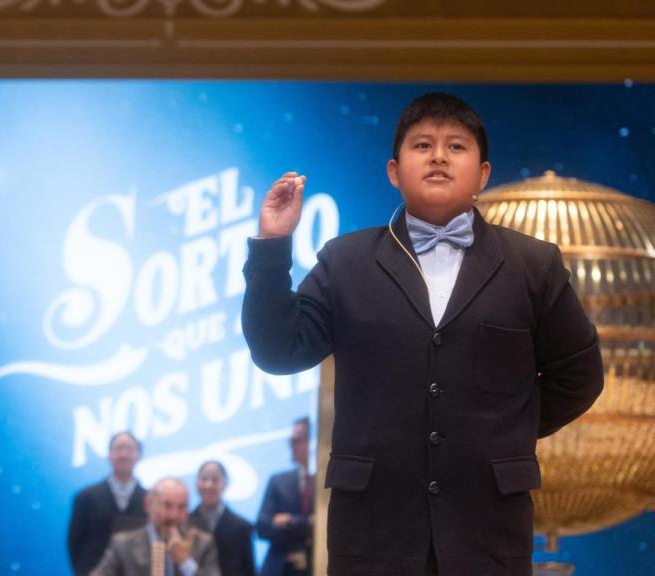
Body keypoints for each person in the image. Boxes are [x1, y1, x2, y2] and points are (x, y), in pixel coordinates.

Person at [242, 92, 604, 575]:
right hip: (371, 535)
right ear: (394, 171)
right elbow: (278, 350)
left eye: (456, 146)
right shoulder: (345, 261)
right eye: (422, 145)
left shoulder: (533, 265)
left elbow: (579, 375)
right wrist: (272, 245)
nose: (438, 156)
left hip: (488, 530)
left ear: (483, 174)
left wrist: (505, 428)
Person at [91, 477, 221, 576]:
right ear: (148, 504)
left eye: (181, 507)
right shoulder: (123, 544)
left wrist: (185, 562)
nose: (174, 515)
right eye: (167, 505)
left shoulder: (203, 543)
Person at [68, 431, 149, 576]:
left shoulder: (150, 499)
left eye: (129, 449)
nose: (123, 454)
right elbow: (75, 543)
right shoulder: (86, 497)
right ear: (109, 454)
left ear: (138, 455)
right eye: (118, 449)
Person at [255, 418, 313, 576]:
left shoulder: (326, 484)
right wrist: (306, 528)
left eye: (298, 439)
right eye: (291, 440)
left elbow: (321, 527)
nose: (291, 444)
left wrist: (290, 521)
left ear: (313, 441)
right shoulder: (278, 481)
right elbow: (262, 527)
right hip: (279, 569)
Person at [190, 460, 255, 576]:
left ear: (225, 484)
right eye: (203, 479)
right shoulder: (185, 523)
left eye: (215, 480)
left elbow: (250, 570)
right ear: (196, 483)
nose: (208, 485)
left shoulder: (242, 527)